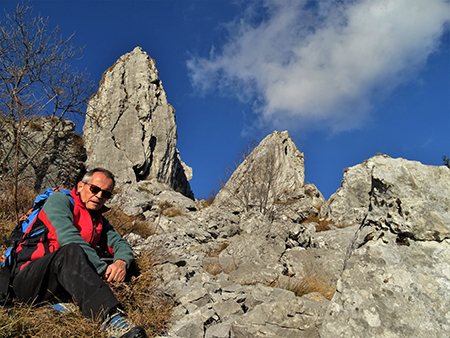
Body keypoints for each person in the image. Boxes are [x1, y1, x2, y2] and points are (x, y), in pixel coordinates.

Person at [11, 168, 147, 338]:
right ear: (81, 186)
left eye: (105, 194)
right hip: (27, 279)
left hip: (59, 278)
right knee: (71, 252)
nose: (99, 196)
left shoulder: (98, 220)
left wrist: (121, 262)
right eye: (94, 189)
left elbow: (119, 243)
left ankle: (60, 305)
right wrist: (101, 270)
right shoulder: (59, 201)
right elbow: (67, 237)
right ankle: (111, 321)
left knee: (128, 265)